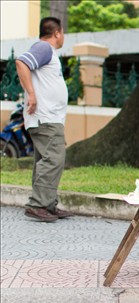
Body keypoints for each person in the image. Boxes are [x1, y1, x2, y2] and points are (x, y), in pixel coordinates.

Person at [15, 17, 73, 222]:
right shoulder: (44, 48)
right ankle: (39, 204)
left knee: (45, 160)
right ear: (57, 33)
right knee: (54, 159)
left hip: (47, 118)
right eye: (63, 33)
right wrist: (31, 93)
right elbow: (21, 62)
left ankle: (47, 204)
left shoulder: (48, 53)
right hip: (46, 118)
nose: (63, 36)